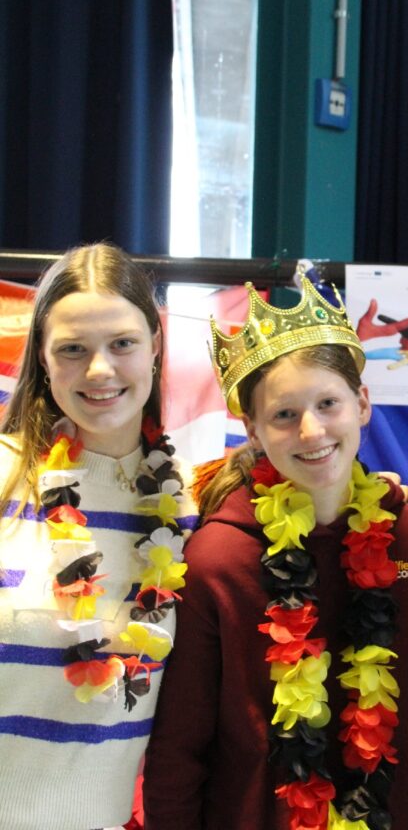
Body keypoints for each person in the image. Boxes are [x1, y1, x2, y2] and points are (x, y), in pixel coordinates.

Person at [143, 274, 408, 830]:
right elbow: (179, 746)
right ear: (252, 430)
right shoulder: (218, 561)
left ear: (362, 403)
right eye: (284, 415)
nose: (312, 430)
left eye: (328, 403)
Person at [0, 243, 195, 830]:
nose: (100, 370)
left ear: (156, 346)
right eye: (73, 349)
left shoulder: (193, 502)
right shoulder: (5, 473)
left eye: (122, 344)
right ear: (42, 356)